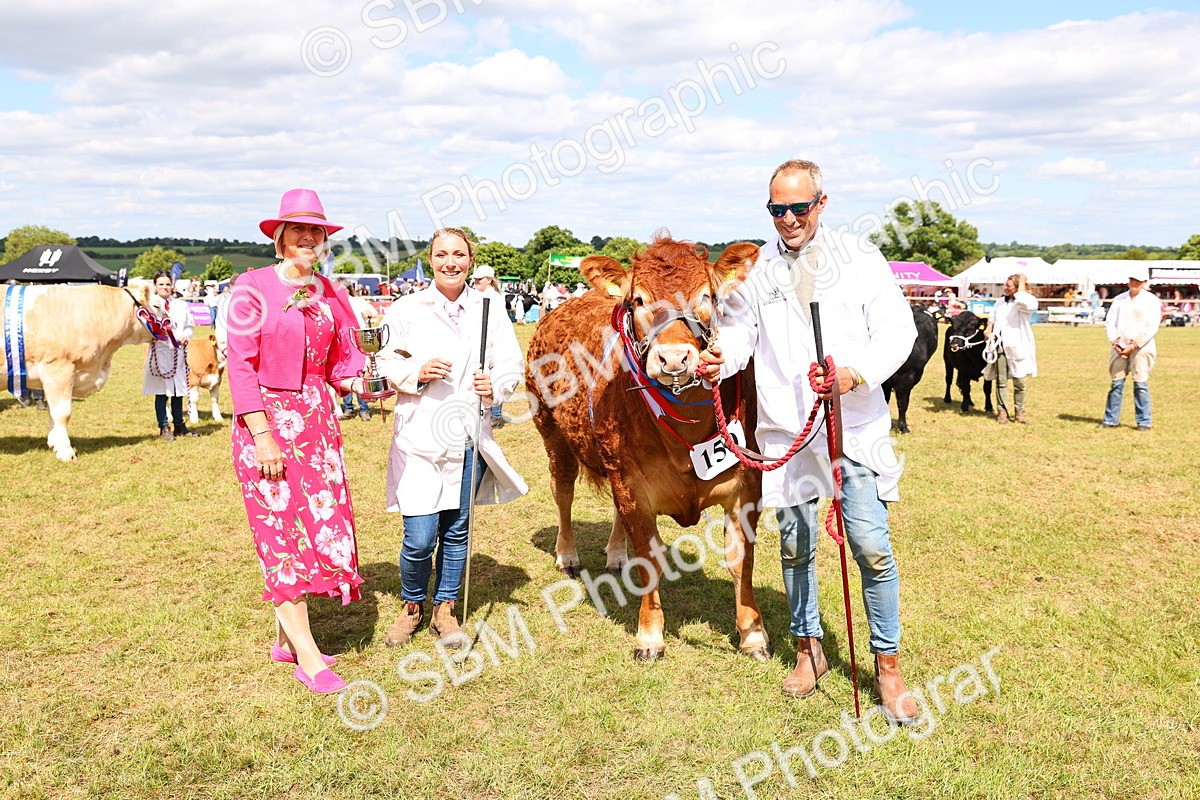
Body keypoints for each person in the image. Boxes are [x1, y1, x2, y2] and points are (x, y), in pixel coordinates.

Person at [697, 158, 919, 724]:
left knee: (870, 545)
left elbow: (897, 331)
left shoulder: (860, 258)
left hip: (852, 424)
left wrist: (854, 373)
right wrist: (721, 358)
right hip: (786, 430)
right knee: (795, 546)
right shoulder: (757, 269)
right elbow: (740, 335)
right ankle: (808, 649)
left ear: (822, 202)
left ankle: (887, 667)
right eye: (777, 209)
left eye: (799, 207)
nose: (789, 219)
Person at [226, 188, 368, 694]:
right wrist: (263, 437)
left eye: (317, 230)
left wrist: (380, 380)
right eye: (299, 230)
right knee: (281, 534)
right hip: (266, 424)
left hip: (318, 425)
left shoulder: (331, 291)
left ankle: (285, 640)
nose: (309, 238)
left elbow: (345, 361)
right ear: (281, 236)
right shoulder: (251, 287)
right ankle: (308, 659)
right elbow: (239, 366)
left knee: (320, 526)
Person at [375, 227, 528, 648]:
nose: (450, 262)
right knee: (420, 536)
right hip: (419, 434)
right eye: (442, 254)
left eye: (459, 254)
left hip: (467, 435)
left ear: (470, 260)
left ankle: (444, 608)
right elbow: (384, 358)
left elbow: (510, 361)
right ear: (430, 259)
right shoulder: (406, 308)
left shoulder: (489, 306)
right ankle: (411, 605)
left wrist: (496, 385)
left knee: (457, 531)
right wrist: (417, 372)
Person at [1101, 266, 1161, 430]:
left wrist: (1134, 344)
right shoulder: (1119, 299)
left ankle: (1144, 421)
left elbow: (1152, 326)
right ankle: (1110, 419)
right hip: (1119, 346)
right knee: (1116, 383)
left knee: (1140, 384)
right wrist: (1115, 341)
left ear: (1144, 282)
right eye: (1132, 279)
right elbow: (1110, 322)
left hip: (1142, 347)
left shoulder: (1151, 301)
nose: (1134, 283)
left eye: (1137, 280)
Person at [143, 270, 198, 440]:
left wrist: (185, 336)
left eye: (167, 284)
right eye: (161, 284)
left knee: (178, 390)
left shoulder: (181, 305)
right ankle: (164, 426)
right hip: (159, 353)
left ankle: (179, 424)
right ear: (155, 285)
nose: (165, 287)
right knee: (161, 392)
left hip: (177, 353)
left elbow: (189, 326)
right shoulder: (149, 306)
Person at [984, 273, 1038, 424]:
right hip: (999, 345)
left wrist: (1022, 283)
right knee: (1000, 381)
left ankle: (1019, 412)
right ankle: (1001, 412)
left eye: (1008, 285)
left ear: (1017, 287)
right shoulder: (1000, 301)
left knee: (1019, 382)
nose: (1005, 288)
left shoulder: (1027, 301)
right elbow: (992, 317)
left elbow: (1023, 301)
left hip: (1017, 346)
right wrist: (988, 329)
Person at [470, 264, 507, 428]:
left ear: (489, 280)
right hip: (479, 342)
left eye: (480, 279)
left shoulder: (494, 298)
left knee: (493, 379)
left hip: (491, 343)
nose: (476, 282)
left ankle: (496, 415)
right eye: (475, 279)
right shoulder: (476, 295)